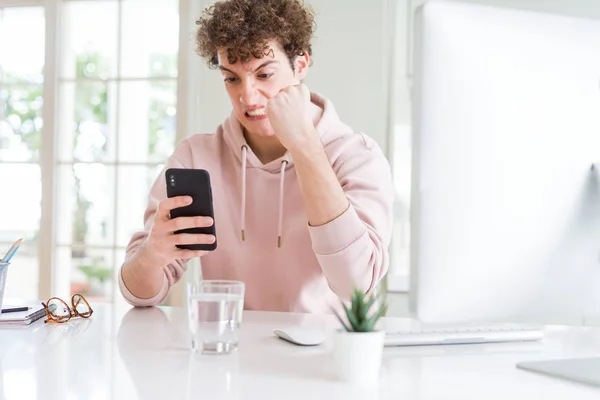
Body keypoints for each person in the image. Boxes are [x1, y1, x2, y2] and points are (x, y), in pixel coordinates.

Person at [118, 0, 394, 313]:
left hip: (319, 357)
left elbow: (355, 284)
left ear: (300, 65)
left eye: (263, 75)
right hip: (224, 352)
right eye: (232, 78)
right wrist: (153, 253)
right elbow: (139, 295)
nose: (247, 96)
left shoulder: (357, 156)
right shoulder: (196, 157)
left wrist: (304, 145)